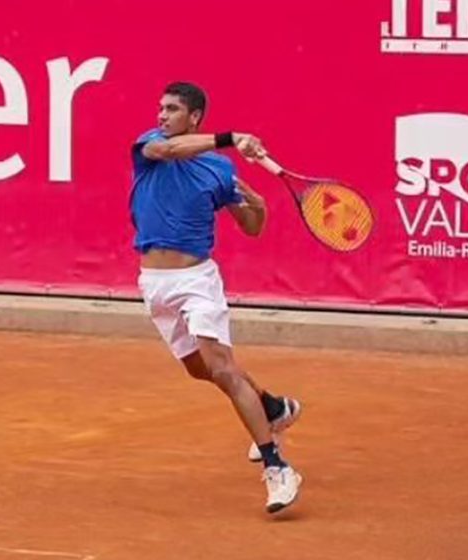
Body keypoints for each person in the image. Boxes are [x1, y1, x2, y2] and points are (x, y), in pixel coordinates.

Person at [130, 82, 303, 513]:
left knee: (223, 368)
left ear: (194, 117)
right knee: (199, 370)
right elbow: (170, 151)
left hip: (197, 281)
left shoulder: (219, 172)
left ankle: (277, 466)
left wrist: (259, 206)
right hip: (154, 283)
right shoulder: (150, 147)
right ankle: (273, 406)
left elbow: (251, 226)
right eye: (160, 107)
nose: (161, 115)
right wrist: (232, 137)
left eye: (172, 109)